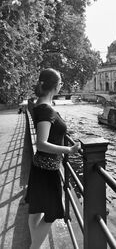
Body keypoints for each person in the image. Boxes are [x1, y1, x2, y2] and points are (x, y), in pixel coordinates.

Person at [25, 68, 80, 249]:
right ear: (56, 86)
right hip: (48, 171)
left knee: (35, 213)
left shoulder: (39, 105)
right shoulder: (46, 110)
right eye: (61, 82)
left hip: (39, 168)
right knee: (52, 214)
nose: (62, 85)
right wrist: (69, 149)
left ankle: (35, 246)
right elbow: (41, 143)